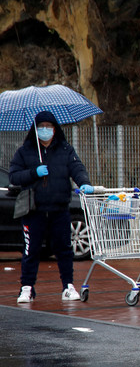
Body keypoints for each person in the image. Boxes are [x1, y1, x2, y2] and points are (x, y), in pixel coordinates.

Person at [9, 110, 94, 303]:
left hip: (59, 209)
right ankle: (27, 287)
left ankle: (68, 286)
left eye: (49, 127)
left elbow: (77, 168)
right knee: (31, 251)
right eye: (41, 127)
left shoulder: (66, 150)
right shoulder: (25, 151)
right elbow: (14, 176)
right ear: (35, 129)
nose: (45, 130)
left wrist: (84, 183)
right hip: (34, 211)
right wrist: (34, 172)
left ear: (55, 129)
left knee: (64, 249)